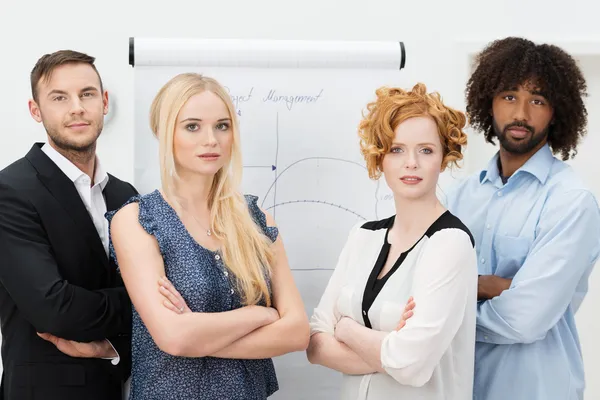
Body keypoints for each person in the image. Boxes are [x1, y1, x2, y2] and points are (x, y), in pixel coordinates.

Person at [106, 72, 310, 400]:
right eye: (192, 126)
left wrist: (198, 337)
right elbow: (173, 337)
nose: (211, 139)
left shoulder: (256, 220)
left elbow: (298, 332)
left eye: (222, 126)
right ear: (165, 132)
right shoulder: (137, 221)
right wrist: (259, 315)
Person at [445, 37, 600, 399]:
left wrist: (455, 306)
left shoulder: (571, 202)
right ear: (490, 102)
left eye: (538, 100)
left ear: (556, 111)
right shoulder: (457, 197)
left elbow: (526, 318)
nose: (521, 114)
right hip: (459, 387)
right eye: (510, 96)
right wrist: (501, 285)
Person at [306, 83, 478, 399]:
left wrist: (345, 329)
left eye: (426, 150)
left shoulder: (450, 242)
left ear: (443, 158)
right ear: (380, 157)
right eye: (397, 149)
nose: (410, 162)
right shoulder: (363, 236)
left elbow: (411, 365)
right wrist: (389, 349)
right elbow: (316, 343)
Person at [0, 50, 137, 399]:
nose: (77, 107)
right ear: (36, 110)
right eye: (59, 98)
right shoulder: (11, 190)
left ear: (104, 102)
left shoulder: (125, 194)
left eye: (87, 94)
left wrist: (110, 341)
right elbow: (53, 309)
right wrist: (141, 304)